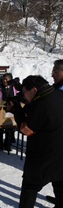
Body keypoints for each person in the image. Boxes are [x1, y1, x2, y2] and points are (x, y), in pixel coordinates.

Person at [11, 75, 63, 208]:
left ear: (34, 90)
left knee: (30, 186)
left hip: (43, 155)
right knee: (60, 182)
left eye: (24, 92)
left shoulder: (40, 104)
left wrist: (17, 111)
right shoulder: (58, 94)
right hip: (60, 152)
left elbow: (26, 130)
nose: (23, 95)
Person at [44, 59, 63, 205]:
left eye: (56, 72)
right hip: (56, 139)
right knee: (57, 174)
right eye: (52, 71)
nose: (52, 74)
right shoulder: (56, 88)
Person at [0, 73, 20, 151]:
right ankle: (0, 144)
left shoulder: (14, 88)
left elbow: (17, 98)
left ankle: (7, 145)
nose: (4, 81)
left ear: (10, 80)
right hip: (1, 109)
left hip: (12, 110)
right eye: (3, 79)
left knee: (9, 128)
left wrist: (12, 105)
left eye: (6, 79)